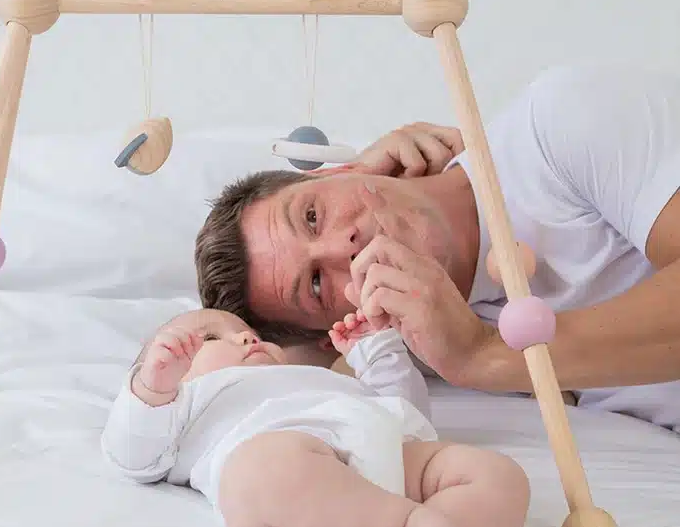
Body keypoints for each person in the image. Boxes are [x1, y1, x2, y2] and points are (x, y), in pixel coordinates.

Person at [194, 63, 680, 431]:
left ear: (338, 171)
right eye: (317, 284)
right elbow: (253, 375)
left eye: (312, 215)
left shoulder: (560, 124)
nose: (344, 245)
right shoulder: (413, 341)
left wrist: (483, 355)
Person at [101, 307, 529, 527]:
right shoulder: (184, 404)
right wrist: (151, 388)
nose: (246, 337)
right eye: (211, 338)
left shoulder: (320, 379)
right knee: (264, 471)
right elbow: (133, 457)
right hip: (294, 495)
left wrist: (375, 350)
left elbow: (407, 409)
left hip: (384, 455)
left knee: (499, 476)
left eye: (248, 331)